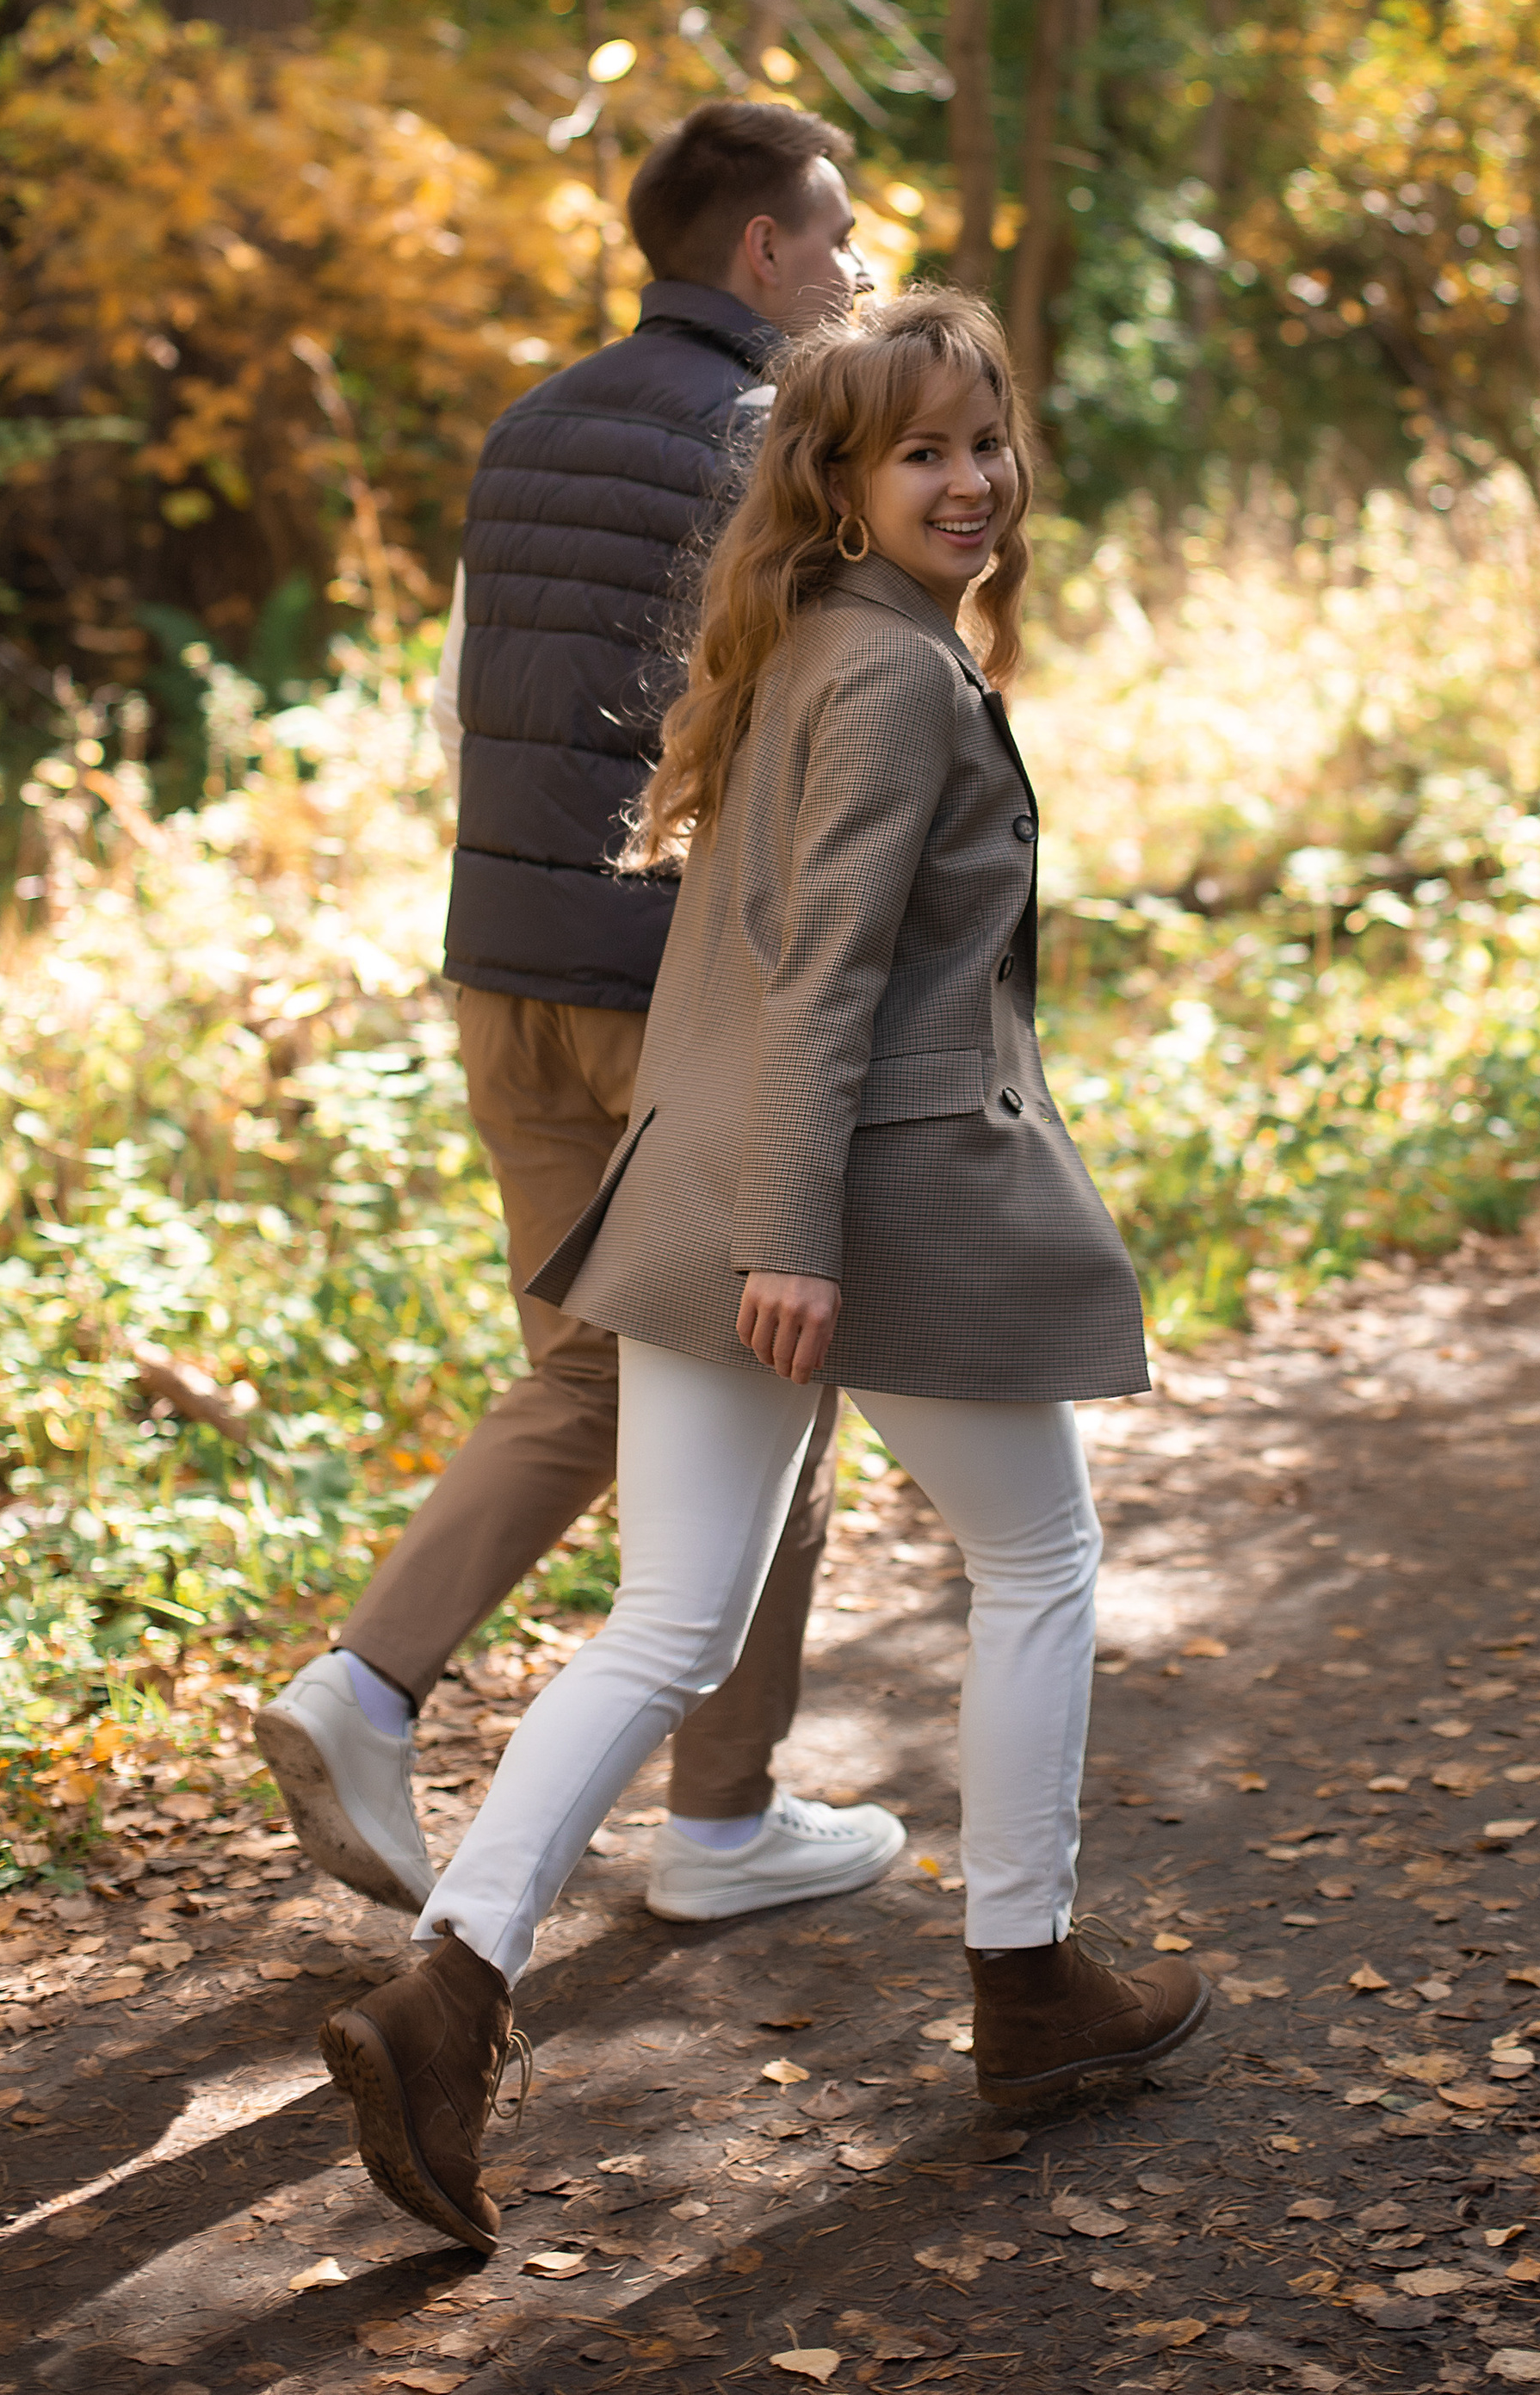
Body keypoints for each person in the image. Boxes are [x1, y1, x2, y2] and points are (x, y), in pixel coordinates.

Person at [313, 288, 1210, 2256]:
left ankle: (446, 1990)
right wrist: (795, 1237)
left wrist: (750, 1214)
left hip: (702, 1180)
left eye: (985, 443)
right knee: (1038, 1566)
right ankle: (1029, 1986)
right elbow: (825, 976)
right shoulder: (890, 680)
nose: (971, 483)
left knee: (667, 1622)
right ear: (836, 478)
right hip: (851, 1197)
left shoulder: (810, 639)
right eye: (922, 454)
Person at [256, 100, 907, 1933]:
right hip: (667, 997)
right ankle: (719, 1822)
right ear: (761, 253)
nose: (855, 268)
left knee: (588, 1368)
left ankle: (365, 1684)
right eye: (836, 236)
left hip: (500, 970)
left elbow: (473, 698)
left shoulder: (524, 425)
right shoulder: (782, 441)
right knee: (776, 1376)